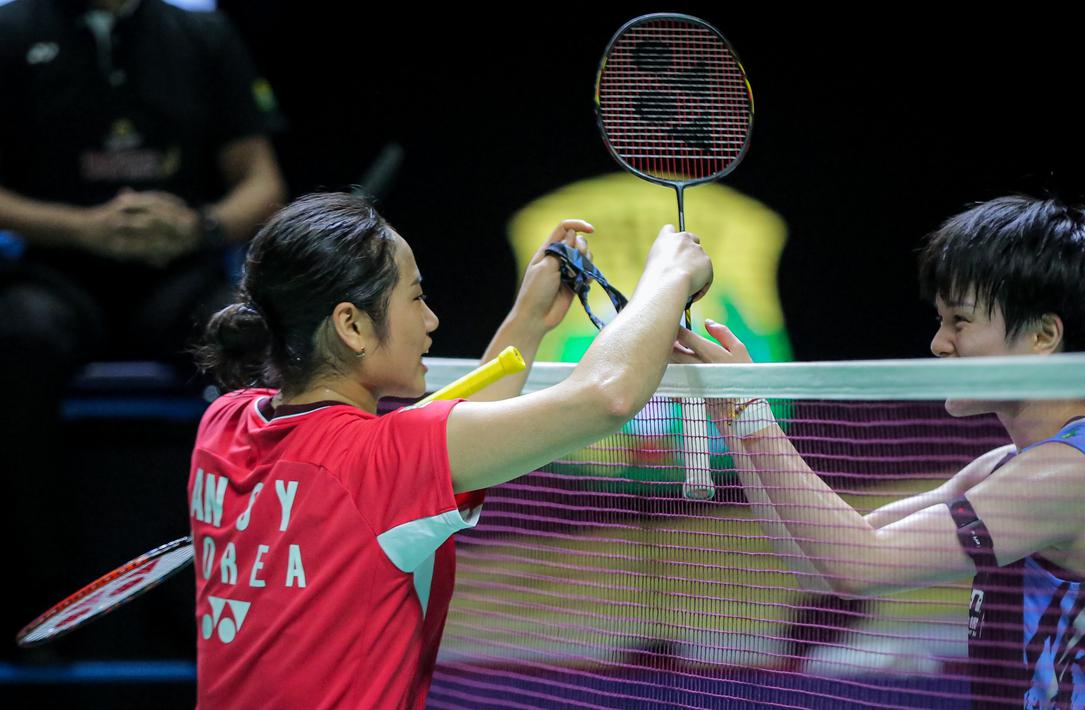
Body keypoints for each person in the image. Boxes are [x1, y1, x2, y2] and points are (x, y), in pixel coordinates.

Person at [187, 192, 710, 708]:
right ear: (352, 326)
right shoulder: (376, 459)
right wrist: (668, 275)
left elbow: (431, 448)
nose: (432, 320)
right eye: (416, 298)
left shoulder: (223, 425)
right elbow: (605, 397)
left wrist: (528, 319)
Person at [674, 196, 1085, 708]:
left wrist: (751, 411)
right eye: (941, 320)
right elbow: (819, 563)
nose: (938, 344)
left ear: (1043, 334)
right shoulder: (1010, 467)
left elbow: (858, 565)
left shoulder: (1065, 475)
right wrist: (733, 419)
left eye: (960, 321)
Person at [0, 0, 285, 657]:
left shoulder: (202, 33)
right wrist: (81, 229)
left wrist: (198, 227)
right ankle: (45, 603)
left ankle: (222, 595)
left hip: (175, 275)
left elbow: (261, 182)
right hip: (54, 277)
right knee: (16, 340)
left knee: (249, 338)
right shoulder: (11, 33)